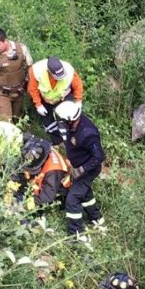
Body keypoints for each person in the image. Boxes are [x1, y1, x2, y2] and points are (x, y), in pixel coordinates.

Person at [53, 101, 103, 238]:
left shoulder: (88, 133)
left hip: (89, 170)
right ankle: (97, 219)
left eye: (62, 121)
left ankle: (77, 234)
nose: (60, 124)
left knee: (72, 199)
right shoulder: (72, 127)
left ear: (70, 120)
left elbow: (99, 156)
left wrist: (81, 170)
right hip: (78, 166)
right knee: (85, 194)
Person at [0, 28, 34, 122]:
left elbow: (30, 67)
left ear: (5, 41)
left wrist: (31, 86)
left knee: (17, 120)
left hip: (19, 92)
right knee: (6, 123)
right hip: (2, 94)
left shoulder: (21, 48)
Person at [28, 56, 83, 139]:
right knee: (49, 125)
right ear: (49, 71)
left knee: (71, 116)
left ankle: (74, 135)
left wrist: (78, 100)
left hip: (63, 98)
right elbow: (33, 89)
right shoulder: (37, 71)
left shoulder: (69, 70)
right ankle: (58, 140)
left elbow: (78, 85)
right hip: (46, 101)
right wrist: (38, 105)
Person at [12, 135, 72, 209]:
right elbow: (20, 167)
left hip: (59, 189)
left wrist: (25, 205)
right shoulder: (34, 146)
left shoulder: (53, 171)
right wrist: (12, 184)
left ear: (42, 161)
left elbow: (48, 195)